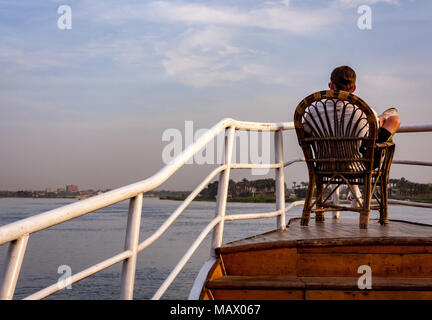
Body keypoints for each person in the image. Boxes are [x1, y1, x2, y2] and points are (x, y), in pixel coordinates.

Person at [304, 65, 401, 207]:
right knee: (390, 122)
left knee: (377, 123)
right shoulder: (363, 111)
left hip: (323, 165)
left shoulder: (313, 109)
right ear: (354, 88)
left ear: (331, 85)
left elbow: (306, 131)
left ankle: (352, 197)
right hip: (357, 166)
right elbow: (373, 128)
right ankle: (385, 116)